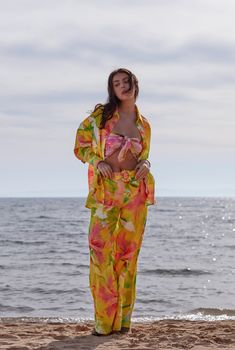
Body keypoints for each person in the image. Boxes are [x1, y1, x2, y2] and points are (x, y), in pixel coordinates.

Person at [74, 68, 155, 336]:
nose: (123, 86)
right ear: (112, 89)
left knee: (128, 257)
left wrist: (146, 163)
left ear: (135, 84)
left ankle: (122, 323)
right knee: (100, 254)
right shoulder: (100, 118)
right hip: (106, 192)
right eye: (117, 83)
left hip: (135, 193)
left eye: (127, 81)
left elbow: (143, 156)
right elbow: (80, 146)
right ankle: (103, 323)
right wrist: (97, 161)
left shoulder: (145, 125)